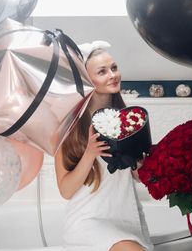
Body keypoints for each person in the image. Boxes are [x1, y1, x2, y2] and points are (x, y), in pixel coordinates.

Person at [54, 42, 153, 251]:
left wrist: (138, 165)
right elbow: (65, 190)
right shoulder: (69, 127)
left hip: (126, 217)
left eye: (114, 68)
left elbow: (136, 177)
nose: (113, 75)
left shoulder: (128, 119)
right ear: (86, 80)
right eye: (102, 71)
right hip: (88, 220)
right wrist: (90, 153)